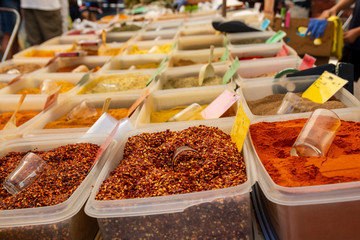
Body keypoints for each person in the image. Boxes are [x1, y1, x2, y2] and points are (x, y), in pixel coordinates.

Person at [319, 0, 360, 81]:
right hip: (353, 43)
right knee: (341, 79)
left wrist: (357, 32)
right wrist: (334, 9)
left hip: (356, 36)